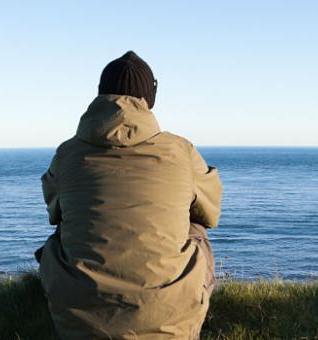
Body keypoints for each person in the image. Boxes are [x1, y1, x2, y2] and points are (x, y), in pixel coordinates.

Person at [35, 51, 222, 340]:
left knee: (63, 230)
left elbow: (53, 213)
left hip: (79, 324)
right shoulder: (181, 151)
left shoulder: (67, 153)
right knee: (195, 229)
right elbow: (210, 214)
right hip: (170, 323)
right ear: (150, 99)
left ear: (99, 95)